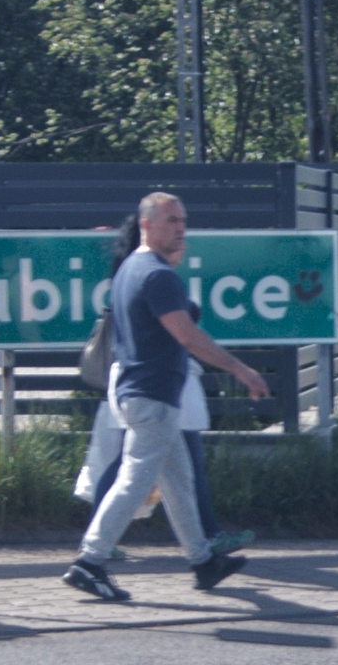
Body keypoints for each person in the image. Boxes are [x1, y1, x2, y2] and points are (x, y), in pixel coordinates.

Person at [63, 192, 269, 602]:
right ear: (146, 225)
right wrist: (240, 369)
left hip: (144, 394)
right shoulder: (157, 276)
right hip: (152, 395)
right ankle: (90, 561)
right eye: (170, 220)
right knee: (134, 480)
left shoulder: (131, 270)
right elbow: (187, 336)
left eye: (182, 220)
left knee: (178, 481)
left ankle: (204, 561)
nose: (180, 228)